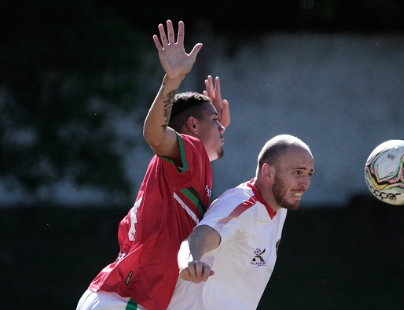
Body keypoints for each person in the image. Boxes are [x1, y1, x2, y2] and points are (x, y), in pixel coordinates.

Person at [77, 20, 230, 310]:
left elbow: (201, 148)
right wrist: (172, 81)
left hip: (115, 299)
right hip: (126, 302)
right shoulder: (191, 150)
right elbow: (154, 135)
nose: (222, 127)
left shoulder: (189, 168)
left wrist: (216, 122)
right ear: (193, 125)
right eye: (214, 121)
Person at [167, 134, 315, 310]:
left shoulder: (279, 204)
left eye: (309, 174)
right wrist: (190, 261)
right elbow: (201, 235)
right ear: (268, 172)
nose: (305, 183)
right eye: (297, 172)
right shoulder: (241, 205)